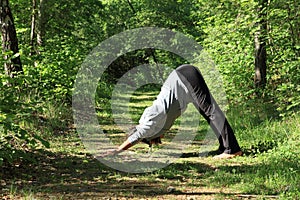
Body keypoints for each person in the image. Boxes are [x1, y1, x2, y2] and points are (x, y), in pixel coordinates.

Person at [103, 64, 242, 159]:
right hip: (185, 82)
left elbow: (137, 135)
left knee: (211, 111)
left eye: (155, 139)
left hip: (185, 77)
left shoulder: (150, 123)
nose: (162, 138)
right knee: (208, 113)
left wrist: (117, 151)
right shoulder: (155, 122)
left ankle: (232, 149)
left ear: (149, 134)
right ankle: (225, 147)